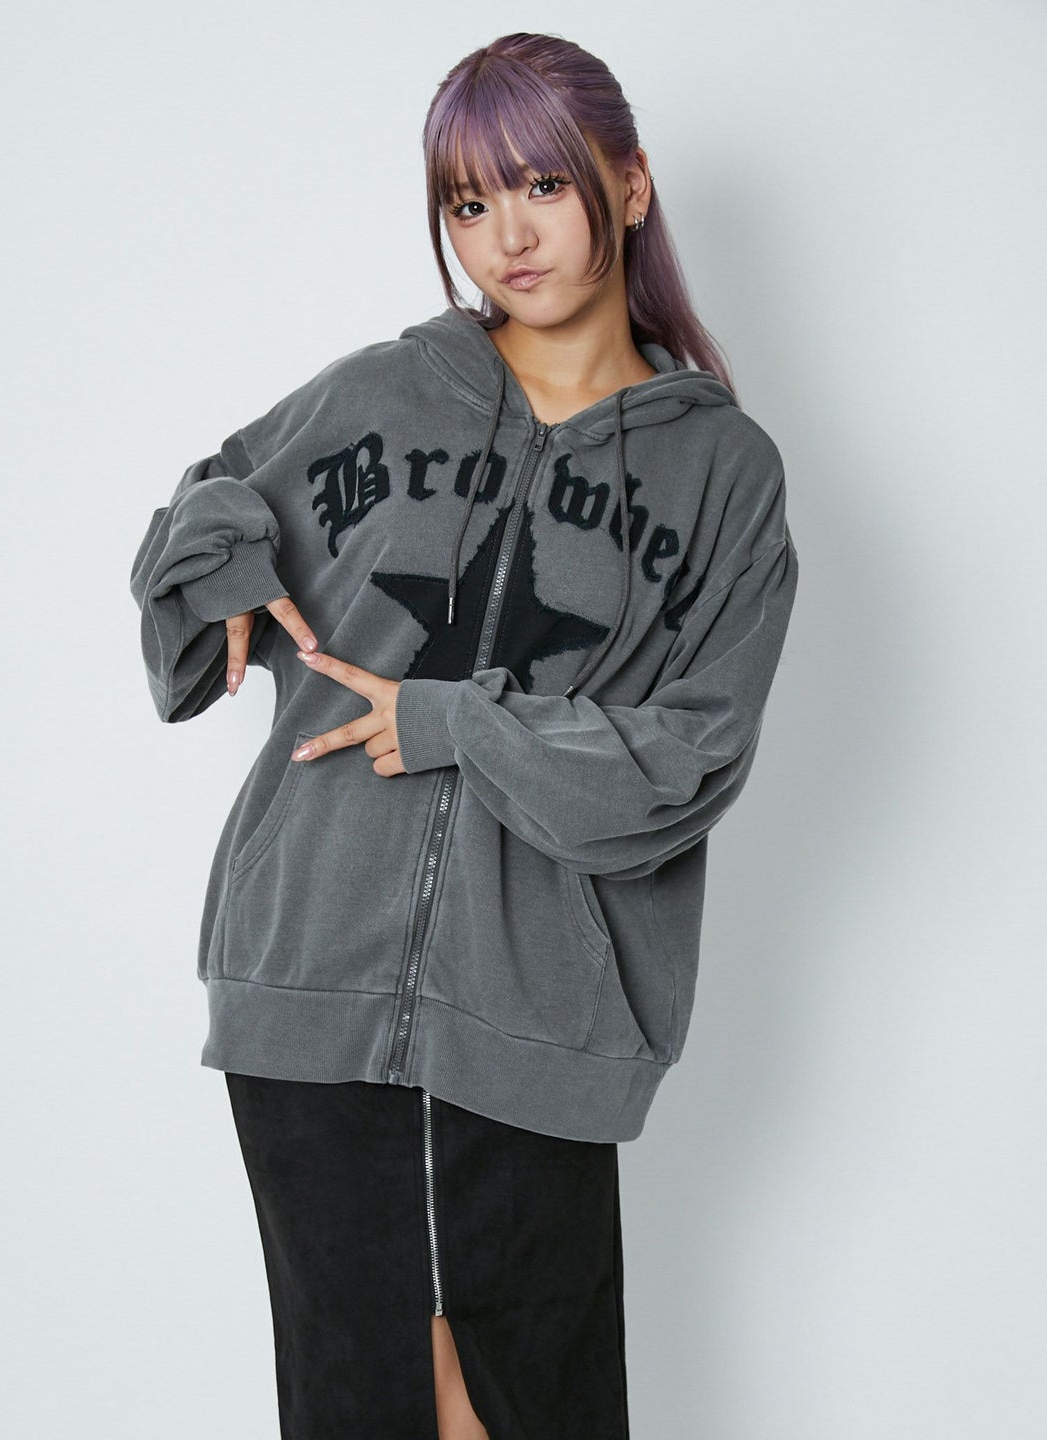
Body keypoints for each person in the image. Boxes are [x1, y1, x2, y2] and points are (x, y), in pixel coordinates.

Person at [129, 30, 798, 1440]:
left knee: (525, 1407)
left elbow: (692, 758)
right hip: (308, 978)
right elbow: (209, 495)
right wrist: (226, 568)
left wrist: (454, 723)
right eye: (470, 202)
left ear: (629, 185)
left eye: (545, 186)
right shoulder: (385, 392)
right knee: (357, 1407)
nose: (509, 237)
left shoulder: (720, 471)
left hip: (541, 1011)